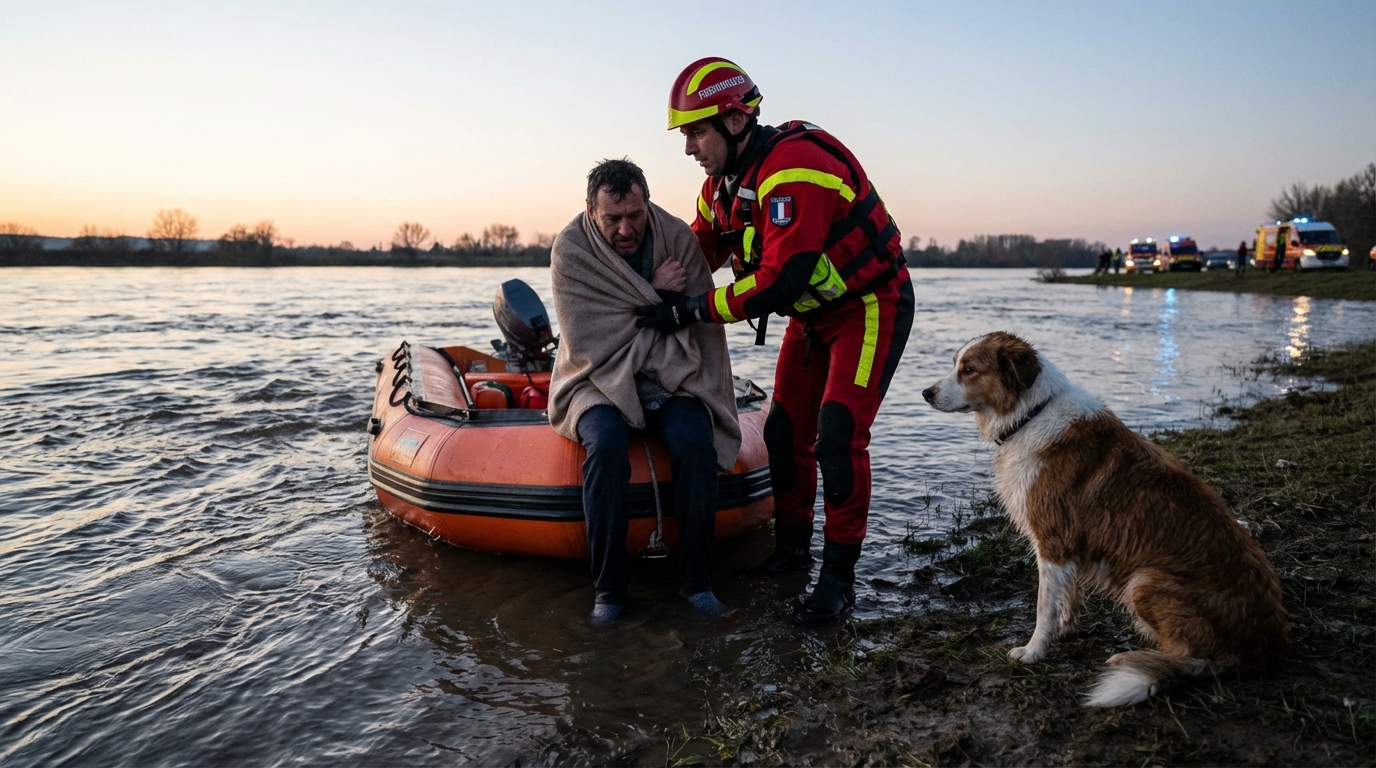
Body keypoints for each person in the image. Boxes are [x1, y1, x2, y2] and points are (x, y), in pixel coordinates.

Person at [636, 57, 915, 626]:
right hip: (813, 318)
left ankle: (837, 579)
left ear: (736, 121)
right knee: (785, 433)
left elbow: (777, 282)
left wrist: (691, 311)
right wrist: (636, 284)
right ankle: (792, 552)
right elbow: (697, 256)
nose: (689, 147)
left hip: (868, 308)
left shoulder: (794, 169)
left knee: (838, 434)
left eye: (695, 131)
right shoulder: (720, 188)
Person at [547, 158, 741, 626]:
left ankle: (697, 584)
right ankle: (609, 592)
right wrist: (655, 295)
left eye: (634, 215)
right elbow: (590, 337)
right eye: (613, 218)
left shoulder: (676, 237)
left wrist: (667, 310)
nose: (626, 228)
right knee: (607, 445)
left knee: (698, 441)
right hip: (594, 379)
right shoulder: (571, 250)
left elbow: (697, 315)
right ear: (591, 211)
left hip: (670, 373)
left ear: (646, 203)